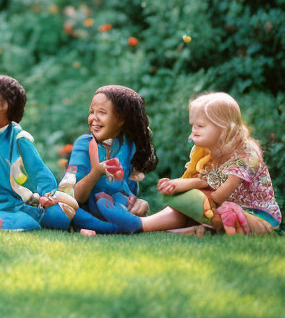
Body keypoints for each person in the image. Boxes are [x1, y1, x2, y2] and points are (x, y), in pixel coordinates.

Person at [141, 92, 280, 235]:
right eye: (193, 125)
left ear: (224, 128)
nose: (194, 130)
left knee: (199, 202)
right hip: (224, 209)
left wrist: (190, 187)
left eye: (200, 125)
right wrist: (178, 184)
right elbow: (205, 183)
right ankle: (143, 225)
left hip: (256, 216)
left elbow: (217, 196)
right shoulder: (207, 152)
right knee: (190, 202)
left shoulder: (246, 153)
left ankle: (154, 226)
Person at [0, 75, 73, 232]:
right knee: (21, 222)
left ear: (2, 106)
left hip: (19, 203)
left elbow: (38, 170)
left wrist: (48, 195)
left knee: (58, 217)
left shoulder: (19, 138)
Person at [57, 85, 157, 234]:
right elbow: (74, 196)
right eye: (91, 112)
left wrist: (138, 203)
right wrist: (96, 172)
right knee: (66, 212)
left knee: (120, 207)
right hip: (85, 211)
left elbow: (126, 191)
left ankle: (135, 224)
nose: (93, 118)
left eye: (102, 112)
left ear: (121, 119)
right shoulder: (84, 144)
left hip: (115, 208)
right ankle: (133, 226)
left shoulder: (129, 146)